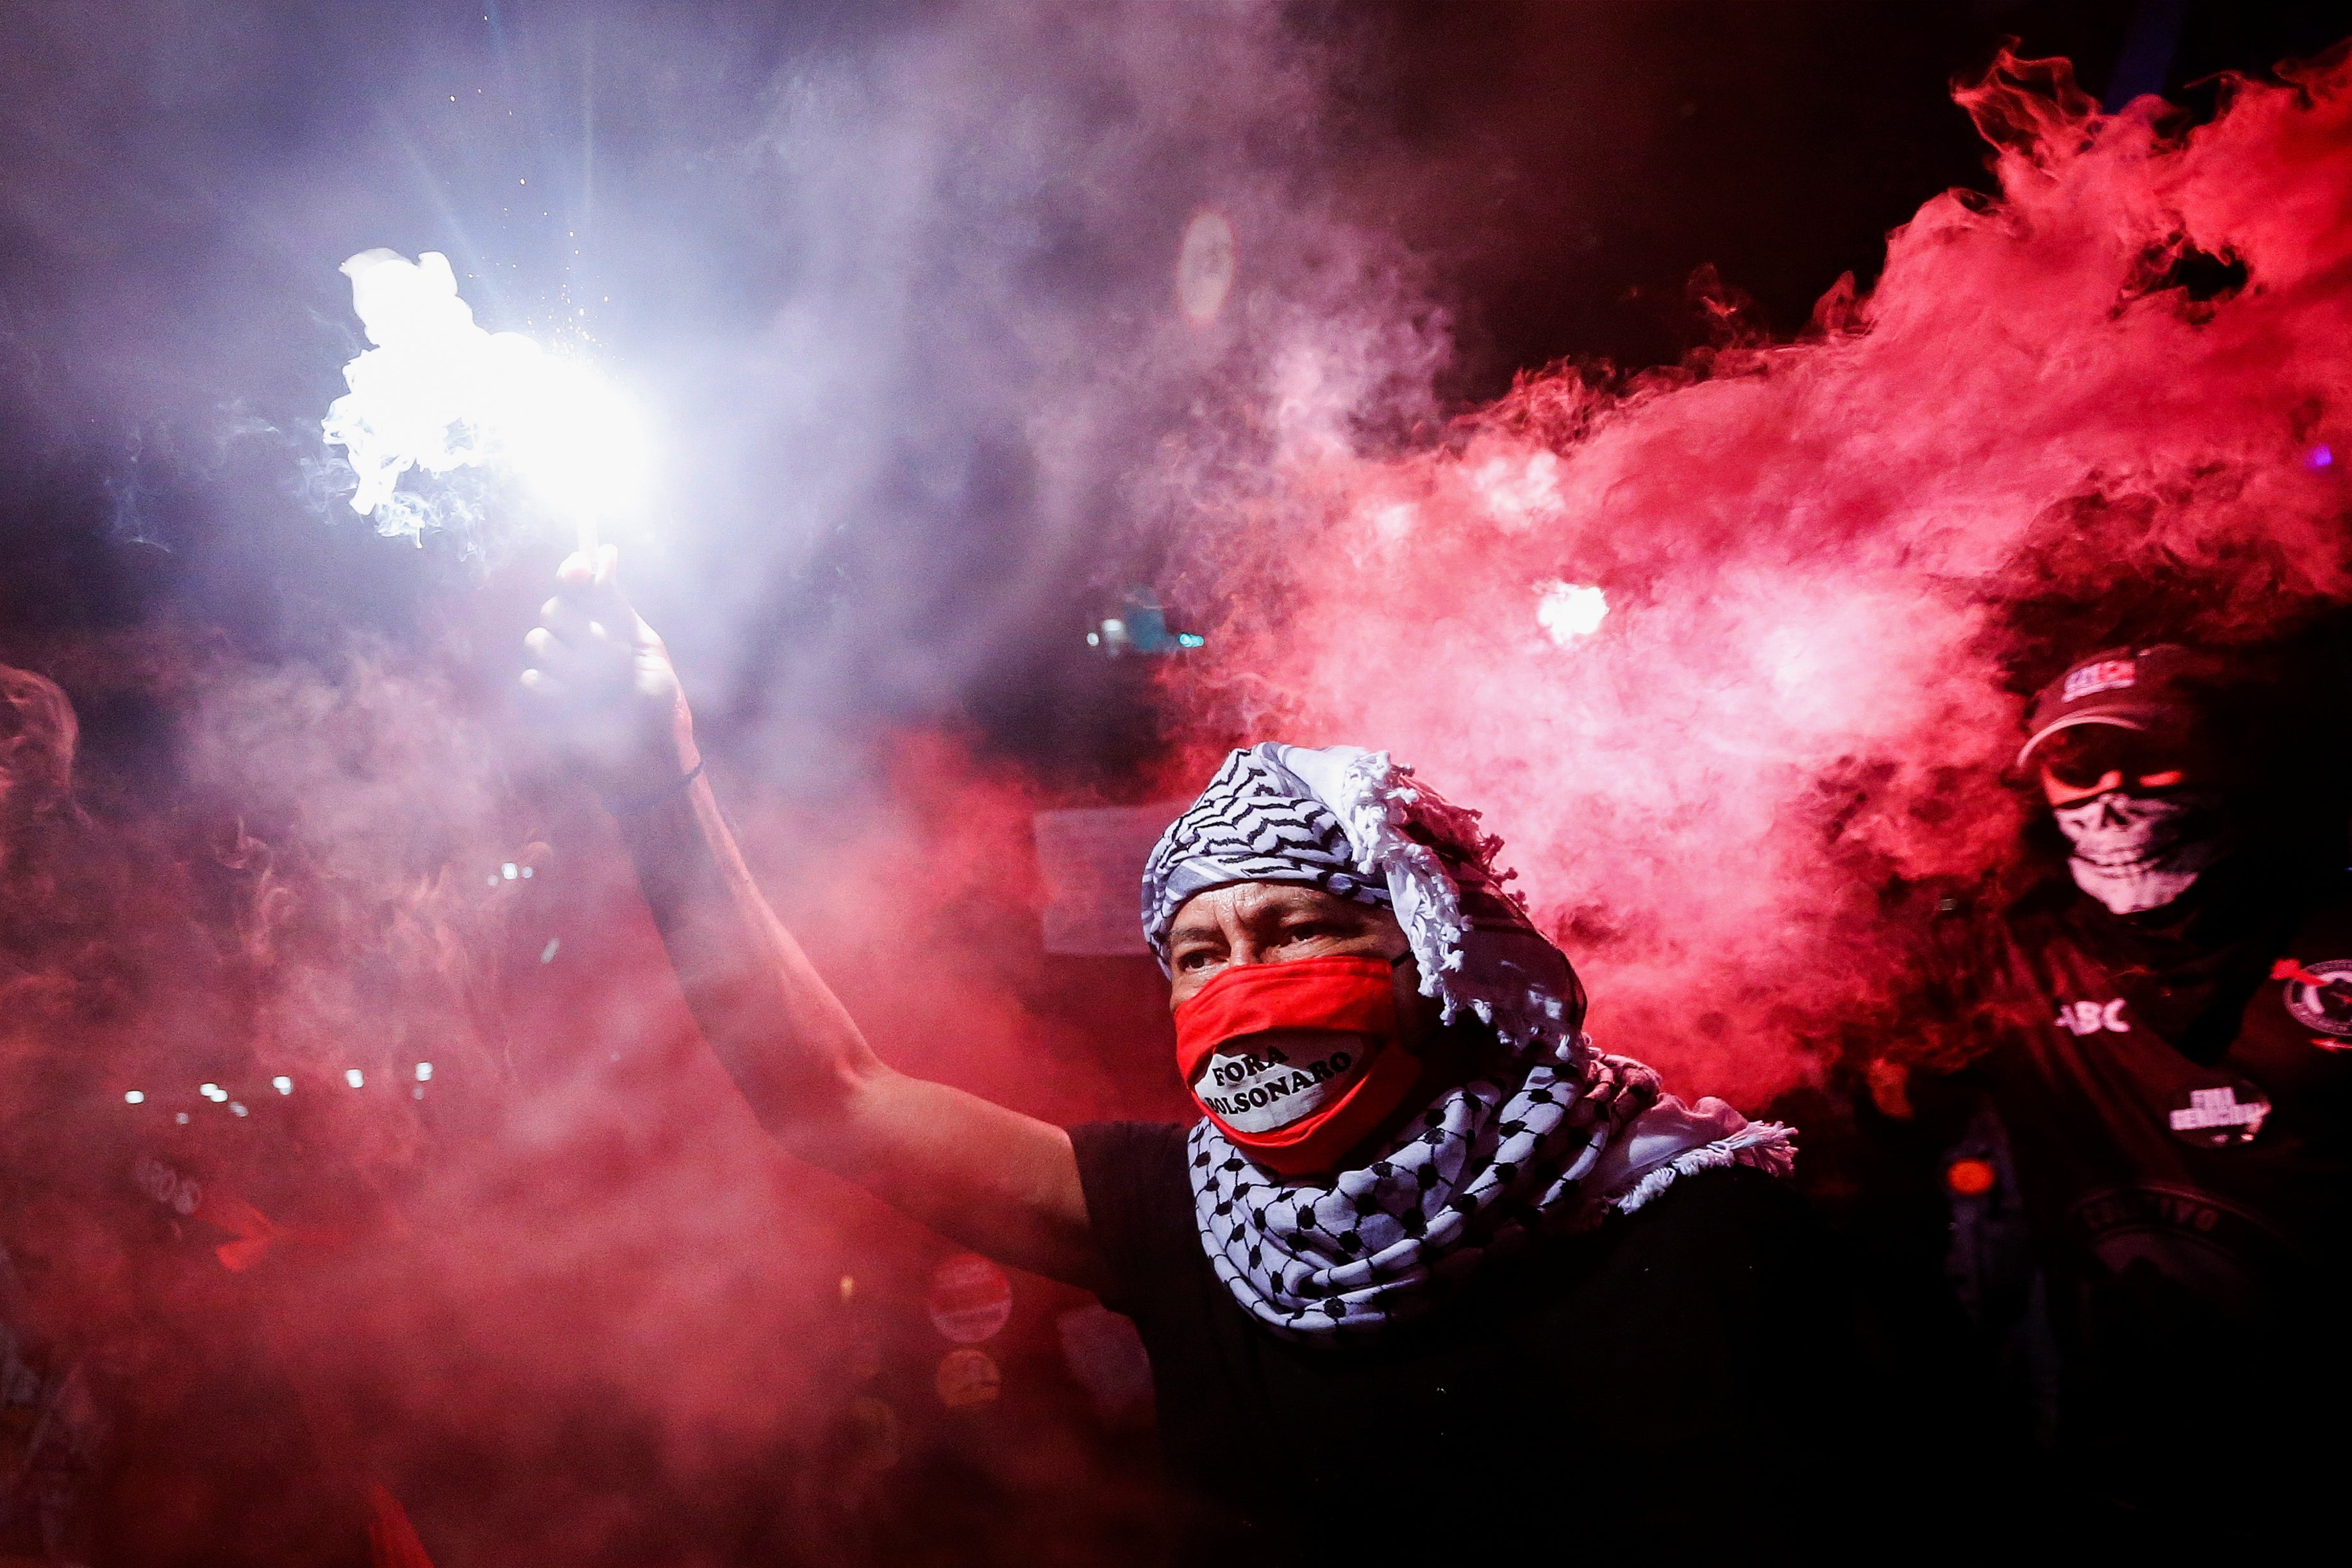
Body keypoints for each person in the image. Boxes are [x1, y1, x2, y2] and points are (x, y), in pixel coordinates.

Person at [523, 551, 1872, 1563]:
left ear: (1433, 955)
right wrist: (657, 780)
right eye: (1197, 954)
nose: (1243, 992)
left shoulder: (1678, 1208)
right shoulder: (1185, 1215)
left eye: (1292, 930)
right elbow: (833, 1095)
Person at [1874, 642, 2352, 1538]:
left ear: (2228, 757)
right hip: (2122, 1461)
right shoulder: (2008, 951)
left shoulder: (2330, 933)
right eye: (2077, 766)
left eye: (2148, 752)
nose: (2111, 796)